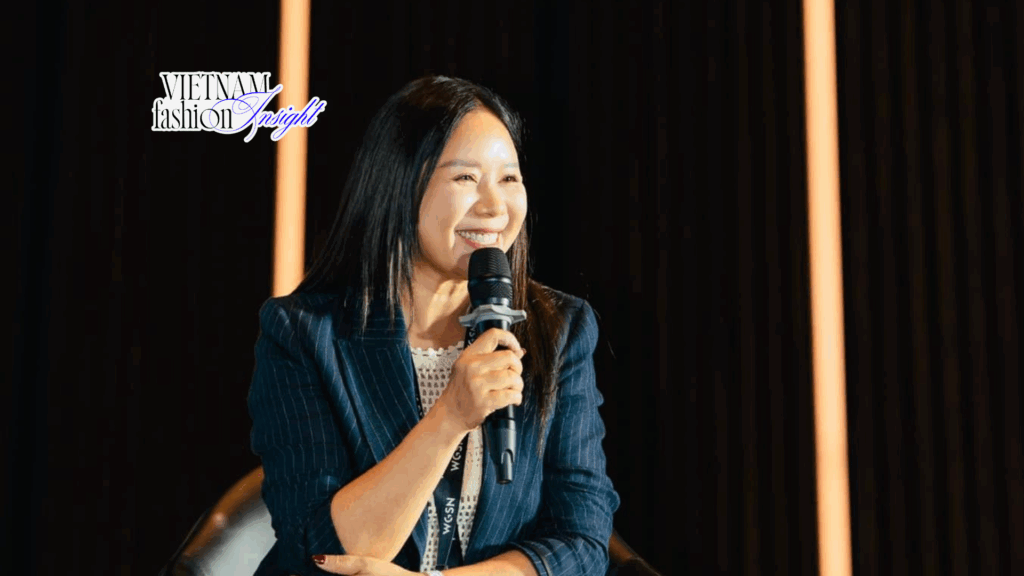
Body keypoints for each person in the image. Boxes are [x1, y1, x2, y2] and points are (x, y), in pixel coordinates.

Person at [247, 75, 619, 576]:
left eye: (509, 179)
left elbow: (582, 543)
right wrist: (449, 419)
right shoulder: (305, 335)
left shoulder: (560, 329)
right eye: (465, 178)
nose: (494, 207)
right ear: (399, 184)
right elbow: (319, 556)